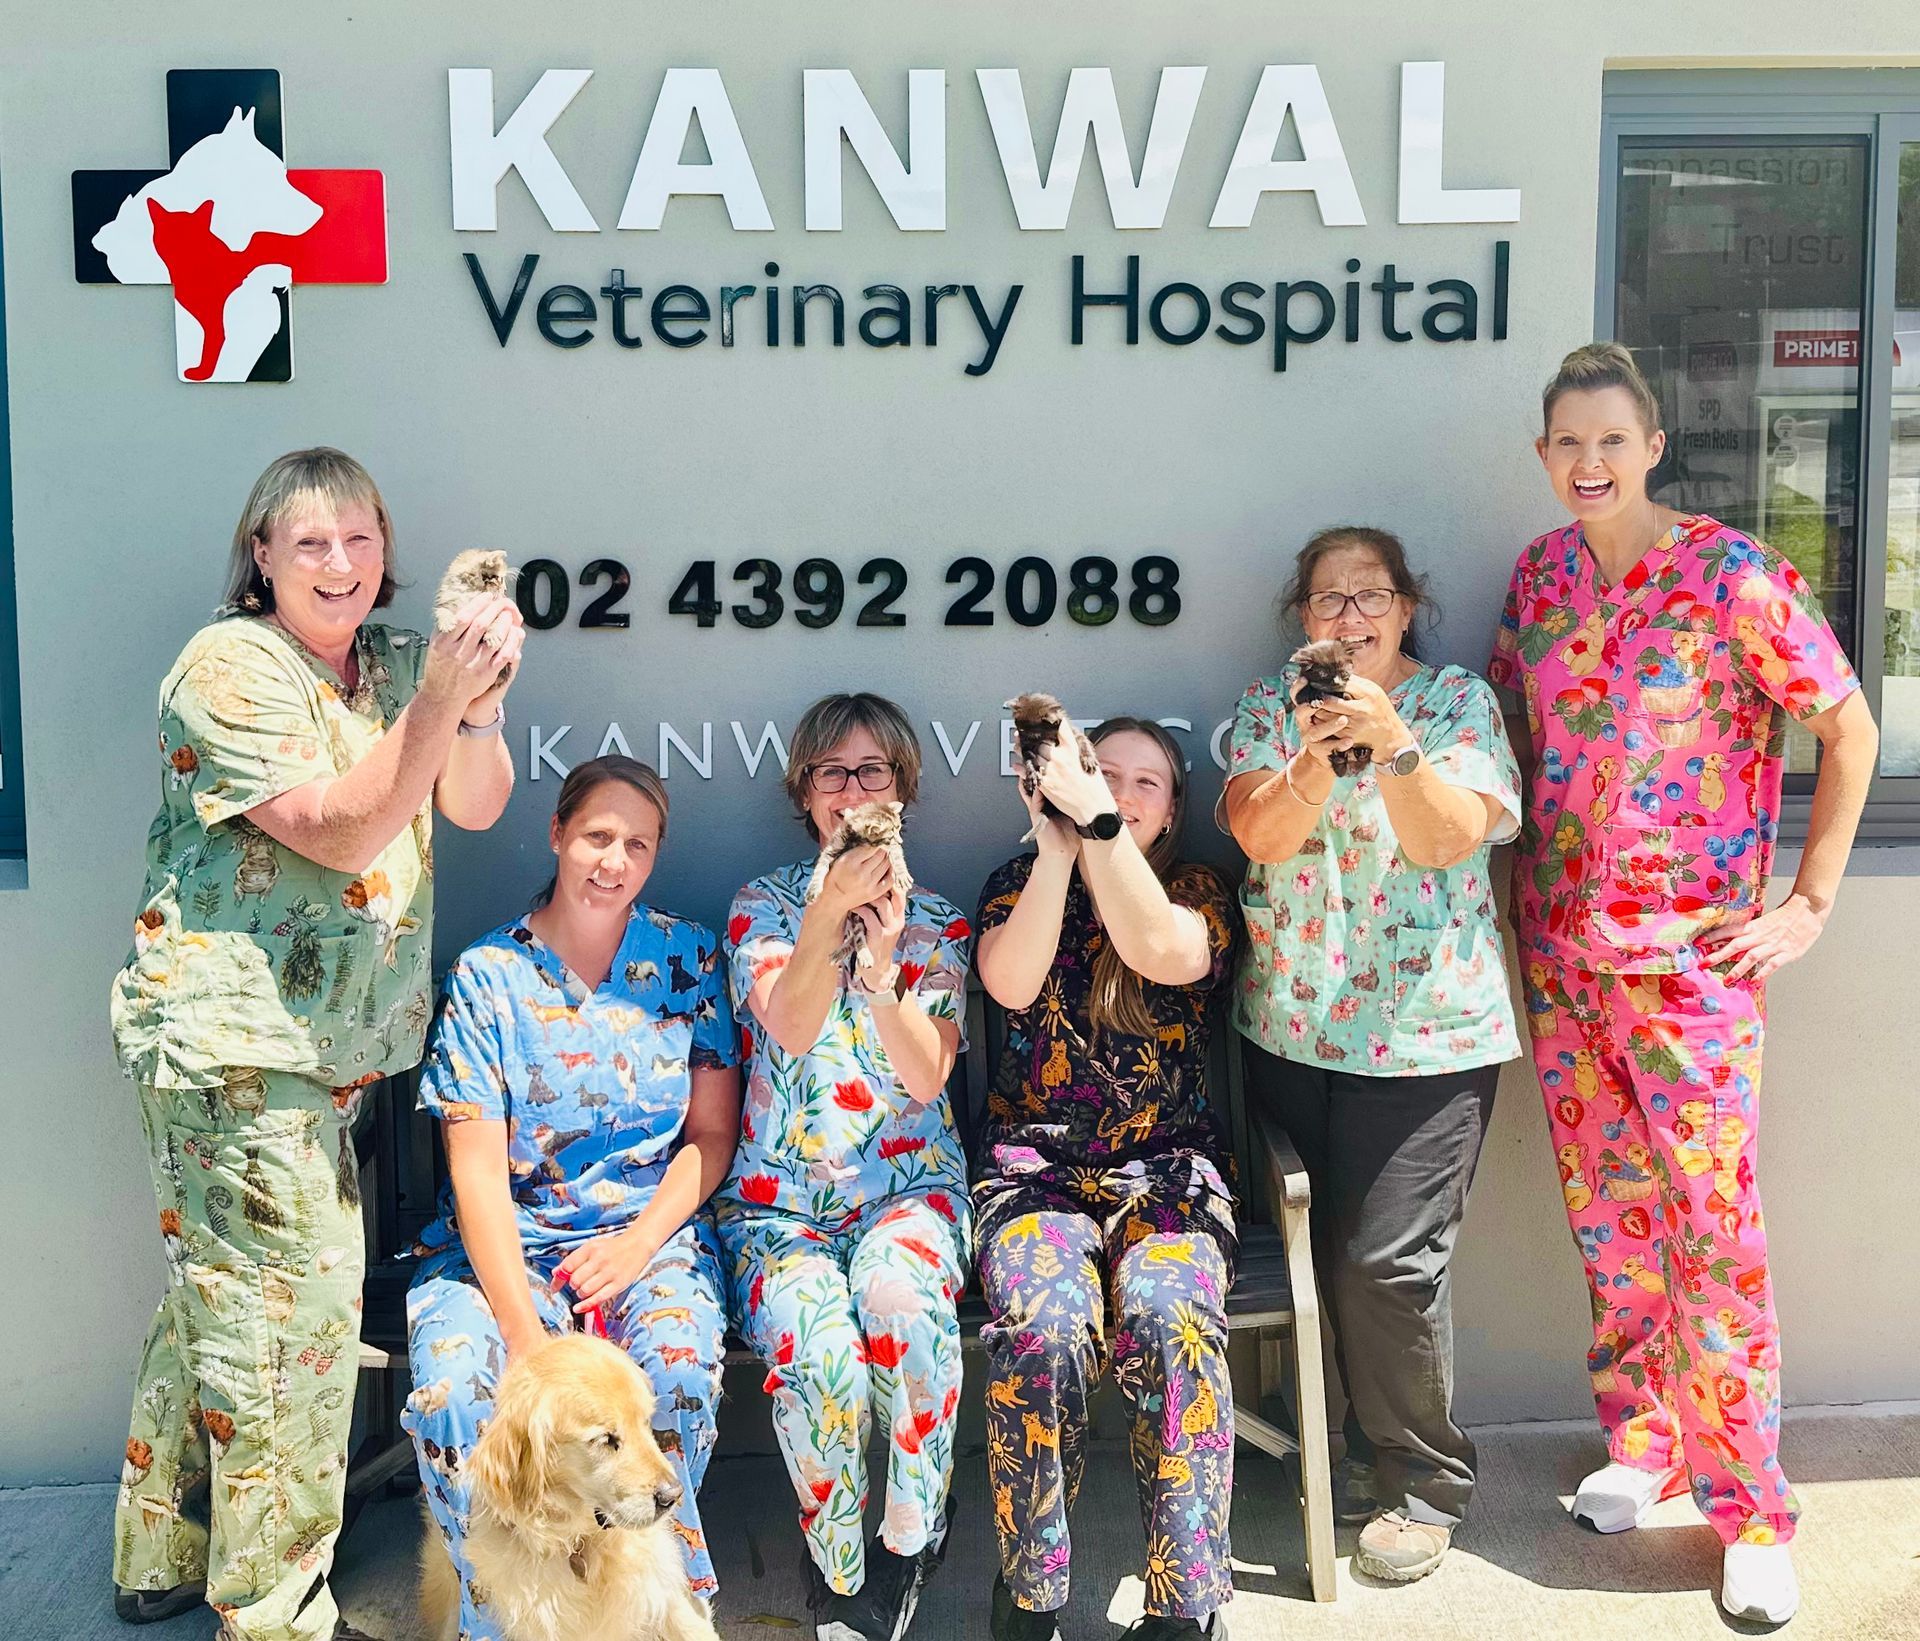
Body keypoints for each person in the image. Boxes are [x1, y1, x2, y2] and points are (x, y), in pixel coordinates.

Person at [1491, 343, 1879, 1625]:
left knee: (1713, 1233)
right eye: (1566, 444)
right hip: (1561, 955)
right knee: (1608, 1217)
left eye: (1610, 440)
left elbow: (1847, 722)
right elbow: (1512, 749)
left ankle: (1752, 1508)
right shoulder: (1541, 580)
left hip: (1692, 971)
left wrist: (1809, 900)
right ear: (1544, 457)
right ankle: (1644, 1444)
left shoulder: (1729, 576)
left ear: (1652, 445)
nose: (1588, 464)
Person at [109, 447, 521, 1641]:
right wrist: (443, 698)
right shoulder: (226, 669)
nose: (339, 565)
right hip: (234, 1054)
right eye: (309, 544)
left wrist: (475, 697)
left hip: (318, 1057)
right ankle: (277, 1612)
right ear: (262, 558)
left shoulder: (396, 666)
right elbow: (340, 832)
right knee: (289, 1334)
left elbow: (476, 803)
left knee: (229, 1308)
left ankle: (161, 1550)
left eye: (358, 539)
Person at [1223, 525, 1521, 1585]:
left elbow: (1446, 839)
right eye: (1329, 601)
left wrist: (1393, 740)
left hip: (1428, 1034)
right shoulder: (1270, 707)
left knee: (1388, 1269)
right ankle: (1340, 1449)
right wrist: (1314, 753)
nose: (1350, 617)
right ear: (1303, 620)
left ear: (1407, 606)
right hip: (1292, 1028)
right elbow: (1259, 836)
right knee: (1313, 1259)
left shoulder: (1457, 706)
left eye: (1371, 597)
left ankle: (1421, 1481)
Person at [402, 755, 742, 1634]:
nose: (614, 859)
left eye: (638, 843)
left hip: (646, 1240)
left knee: (678, 1381)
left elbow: (709, 1136)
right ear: (557, 835)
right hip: (501, 1256)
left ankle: (650, 1602)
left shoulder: (687, 959)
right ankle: (497, 1617)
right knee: (454, 1400)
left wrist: (636, 1247)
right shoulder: (489, 976)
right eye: (596, 835)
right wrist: (531, 1348)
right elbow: (474, 1169)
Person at [973, 715, 1238, 1641]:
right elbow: (1009, 986)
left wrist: (1100, 832)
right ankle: (1034, 1590)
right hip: (1035, 1178)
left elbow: (1159, 950)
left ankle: (1185, 1603)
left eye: (1144, 784)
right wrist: (1056, 847)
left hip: (1167, 1177)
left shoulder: (1196, 891)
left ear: (1169, 814)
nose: (1120, 793)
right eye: (1101, 773)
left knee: (1171, 1316)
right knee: (1043, 1329)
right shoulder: (1013, 883)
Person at [715, 694, 973, 1641]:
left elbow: (927, 1069)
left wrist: (882, 965)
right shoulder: (760, 906)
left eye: (873, 773)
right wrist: (833, 909)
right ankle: (840, 1570)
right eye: (833, 773)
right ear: (806, 794)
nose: (853, 790)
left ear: (901, 791)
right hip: (778, 1206)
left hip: (908, 1194)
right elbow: (786, 1023)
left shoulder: (939, 921)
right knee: (819, 1349)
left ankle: (910, 1535)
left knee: (901, 1305)